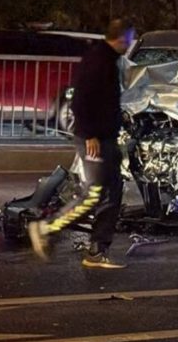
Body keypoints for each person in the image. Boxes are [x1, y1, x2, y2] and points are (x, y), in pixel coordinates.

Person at [29, 18, 136, 269]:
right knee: (93, 194)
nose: (130, 44)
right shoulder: (99, 60)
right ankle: (46, 229)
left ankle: (98, 250)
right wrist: (90, 135)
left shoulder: (109, 60)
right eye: (130, 38)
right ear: (122, 38)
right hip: (94, 140)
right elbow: (80, 101)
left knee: (113, 192)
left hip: (105, 138)